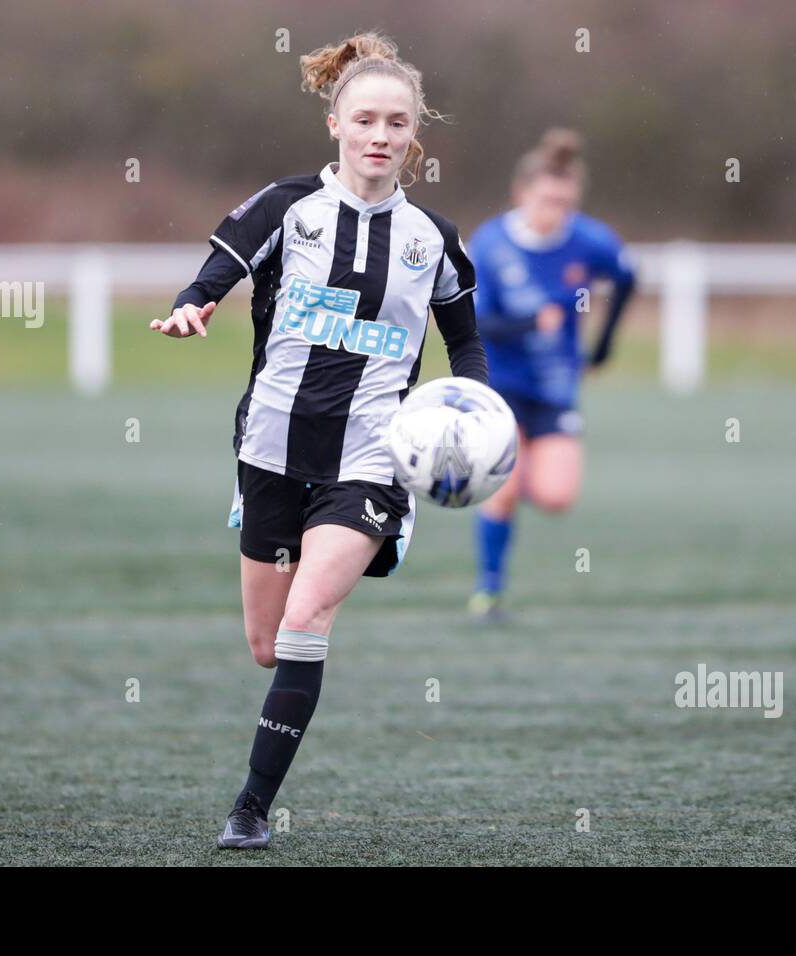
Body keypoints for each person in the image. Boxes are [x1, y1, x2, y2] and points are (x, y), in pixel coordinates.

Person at [151, 32, 488, 849]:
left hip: (372, 459)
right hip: (269, 450)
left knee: (307, 618)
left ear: (414, 137)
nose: (381, 135)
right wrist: (194, 308)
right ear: (335, 122)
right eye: (366, 118)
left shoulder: (431, 239)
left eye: (397, 123)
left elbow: (465, 343)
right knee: (269, 647)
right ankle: (259, 788)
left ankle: (249, 812)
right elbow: (213, 279)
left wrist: (474, 410)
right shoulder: (285, 208)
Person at [466, 129, 637, 622]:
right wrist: (529, 321)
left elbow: (627, 278)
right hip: (502, 383)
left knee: (557, 497)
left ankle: (515, 485)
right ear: (522, 195)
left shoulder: (589, 241)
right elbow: (475, 320)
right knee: (503, 485)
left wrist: (602, 346)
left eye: (566, 202)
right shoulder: (493, 242)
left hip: (557, 384)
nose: (556, 211)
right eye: (547, 200)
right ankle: (489, 592)